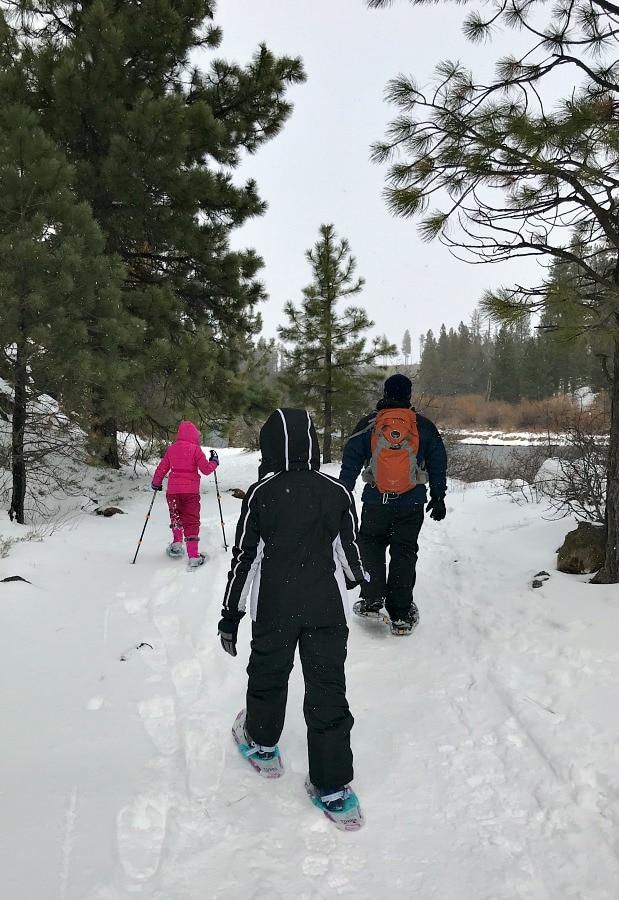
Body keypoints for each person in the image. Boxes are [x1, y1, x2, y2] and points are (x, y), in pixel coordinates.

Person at [217, 407, 367, 819]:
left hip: (276, 609)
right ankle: (333, 788)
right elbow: (350, 558)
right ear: (312, 445)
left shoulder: (261, 493)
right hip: (326, 611)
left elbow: (244, 558)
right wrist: (354, 579)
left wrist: (232, 612)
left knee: (268, 674)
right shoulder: (336, 491)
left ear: (268, 446)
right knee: (328, 691)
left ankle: (263, 745)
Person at [339, 374, 447, 635]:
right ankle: (400, 612)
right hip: (411, 502)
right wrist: (438, 496)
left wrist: (342, 495)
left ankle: (373, 599)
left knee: (371, 546)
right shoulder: (422, 426)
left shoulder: (370, 424)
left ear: (385, 393)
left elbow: (351, 460)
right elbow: (438, 462)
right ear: (408, 395)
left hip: (376, 501)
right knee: (404, 552)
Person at [151, 420, 219, 567]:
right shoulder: (195, 450)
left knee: (176, 516)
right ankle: (193, 556)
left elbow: (162, 468)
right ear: (194, 435)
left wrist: (156, 483)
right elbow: (206, 470)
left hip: (173, 492)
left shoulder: (172, 449)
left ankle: (176, 546)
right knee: (191, 521)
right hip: (190, 493)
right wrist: (214, 461)